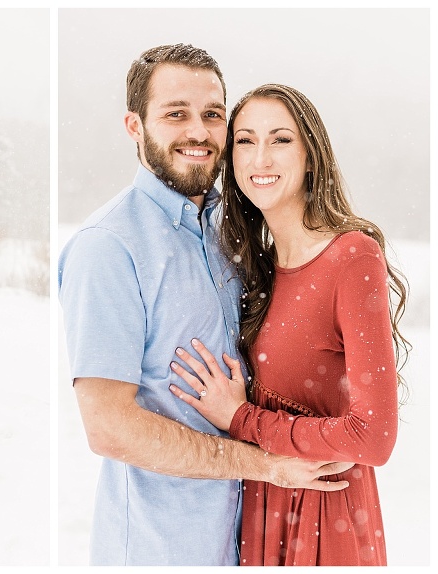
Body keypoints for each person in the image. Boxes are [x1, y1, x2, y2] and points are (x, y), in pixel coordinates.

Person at [58, 44, 353, 566]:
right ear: (134, 125)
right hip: (163, 547)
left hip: (251, 538)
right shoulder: (108, 246)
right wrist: (266, 464)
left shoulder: (230, 229)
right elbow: (108, 426)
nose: (199, 132)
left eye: (213, 114)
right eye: (176, 113)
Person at [169, 83, 409, 566]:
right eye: (245, 140)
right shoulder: (254, 266)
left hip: (324, 508)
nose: (261, 158)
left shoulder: (352, 256)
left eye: (280, 140)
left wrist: (241, 419)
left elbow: (373, 436)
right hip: (264, 502)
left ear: (311, 157)